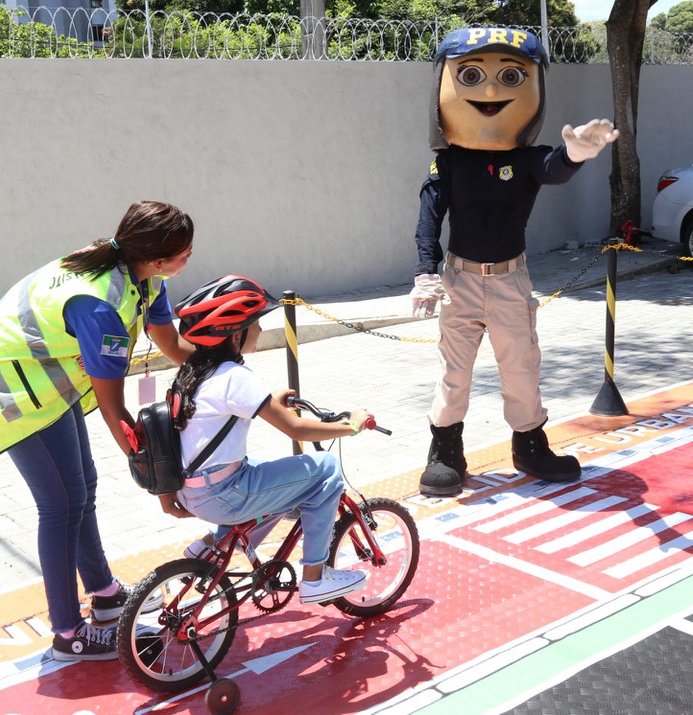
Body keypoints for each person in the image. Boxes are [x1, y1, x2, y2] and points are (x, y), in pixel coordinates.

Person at [0, 200, 196, 660]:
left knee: (82, 489)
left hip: (50, 381)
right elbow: (116, 412)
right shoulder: (100, 307)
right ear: (156, 258)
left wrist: (220, 367)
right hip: (15, 392)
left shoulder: (143, 275)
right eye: (184, 252)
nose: (189, 258)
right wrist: (157, 478)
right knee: (60, 506)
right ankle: (68, 633)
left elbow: (169, 343)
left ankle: (105, 594)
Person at [410, 27, 619, 497]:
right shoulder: (449, 162)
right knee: (454, 369)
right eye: (471, 75)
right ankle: (445, 448)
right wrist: (426, 271)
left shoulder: (526, 159)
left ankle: (529, 443)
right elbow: (429, 218)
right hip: (460, 279)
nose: (489, 91)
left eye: (509, 77)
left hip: (510, 278)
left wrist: (576, 152)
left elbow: (553, 168)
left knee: (521, 366)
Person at [157, 275, 375, 604]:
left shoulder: (195, 371)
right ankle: (316, 578)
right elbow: (297, 430)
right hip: (224, 495)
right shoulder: (236, 376)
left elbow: (222, 410)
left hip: (190, 490)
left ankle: (209, 551)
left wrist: (270, 400)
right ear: (233, 333)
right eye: (254, 322)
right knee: (326, 468)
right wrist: (351, 425)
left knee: (274, 472)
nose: (259, 330)